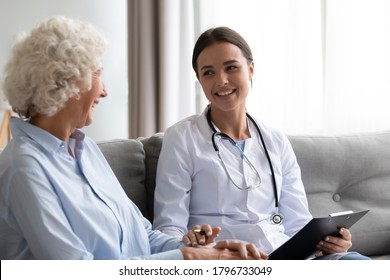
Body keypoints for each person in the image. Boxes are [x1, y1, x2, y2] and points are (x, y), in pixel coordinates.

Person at [0, 17, 267, 260]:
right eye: (97, 74)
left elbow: (143, 236)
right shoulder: (25, 167)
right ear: (65, 81)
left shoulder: (86, 150)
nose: (104, 91)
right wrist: (189, 259)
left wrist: (204, 251)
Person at [153, 26, 370, 260]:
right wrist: (192, 244)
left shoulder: (275, 140)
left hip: (287, 257)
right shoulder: (182, 139)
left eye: (231, 68)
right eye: (208, 73)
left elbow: (299, 223)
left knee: (356, 262)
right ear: (199, 80)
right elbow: (168, 229)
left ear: (251, 69)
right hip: (230, 260)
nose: (221, 80)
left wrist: (328, 243)